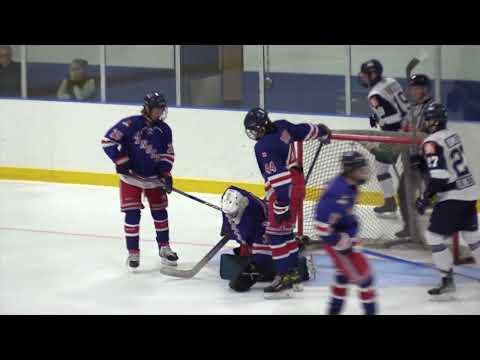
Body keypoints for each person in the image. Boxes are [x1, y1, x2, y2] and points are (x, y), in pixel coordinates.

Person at [244, 107, 331, 299]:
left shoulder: (262, 147)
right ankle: (293, 273)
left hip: (284, 190)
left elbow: (279, 177)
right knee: (287, 233)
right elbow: (303, 130)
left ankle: (284, 277)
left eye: (253, 129)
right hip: (298, 185)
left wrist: (281, 203)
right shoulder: (282, 126)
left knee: (275, 235)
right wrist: (321, 131)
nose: (253, 133)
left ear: (259, 127)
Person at [101, 92, 178, 269]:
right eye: (157, 109)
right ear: (148, 108)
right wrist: (121, 160)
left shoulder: (164, 130)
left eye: (162, 109)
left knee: (160, 212)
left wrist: (165, 173)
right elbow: (107, 141)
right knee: (132, 214)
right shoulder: (131, 123)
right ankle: (133, 252)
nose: (160, 112)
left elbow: (168, 154)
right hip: (131, 177)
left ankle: (164, 248)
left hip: (153, 179)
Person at [415, 103, 480, 297]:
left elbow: (440, 178)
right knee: (473, 238)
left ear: (433, 121)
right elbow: (448, 164)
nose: (425, 123)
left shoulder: (430, 142)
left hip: (453, 196)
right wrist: (424, 166)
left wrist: (425, 198)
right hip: (469, 192)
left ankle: (446, 279)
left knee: (433, 237)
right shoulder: (453, 135)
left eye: (427, 119)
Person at [219, 186, 316, 294]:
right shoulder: (230, 196)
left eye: (233, 214)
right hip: (258, 221)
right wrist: (229, 227)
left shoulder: (259, 222)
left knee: (272, 254)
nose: (230, 216)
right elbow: (231, 198)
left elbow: (261, 260)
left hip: (266, 227)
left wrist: (251, 273)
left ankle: (297, 244)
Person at [314, 151, 377, 315]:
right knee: (365, 279)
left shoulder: (351, 185)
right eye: (360, 168)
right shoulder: (337, 192)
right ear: (350, 170)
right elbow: (321, 226)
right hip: (338, 243)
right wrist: (339, 242)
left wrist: (350, 233)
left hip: (346, 237)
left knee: (342, 278)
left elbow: (343, 214)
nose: (364, 171)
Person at [359, 59, 410, 217]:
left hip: (396, 132)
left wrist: (380, 121)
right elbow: (395, 107)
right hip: (411, 125)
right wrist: (378, 116)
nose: (363, 78)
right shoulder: (391, 81)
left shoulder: (374, 94)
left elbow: (391, 119)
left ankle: (390, 202)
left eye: (365, 75)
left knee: (381, 166)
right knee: (412, 168)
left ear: (373, 75)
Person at [395, 74, 436, 238]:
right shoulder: (412, 108)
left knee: (433, 196)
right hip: (412, 160)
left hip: (429, 162)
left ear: (425, 89)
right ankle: (410, 228)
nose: (413, 90)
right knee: (403, 193)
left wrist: (423, 158)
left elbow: (432, 134)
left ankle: (440, 230)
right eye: (412, 87)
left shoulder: (432, 107)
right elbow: (405, 129)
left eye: (417, 87)